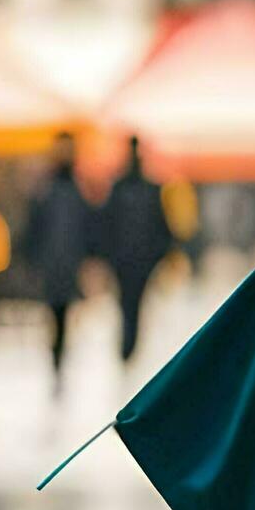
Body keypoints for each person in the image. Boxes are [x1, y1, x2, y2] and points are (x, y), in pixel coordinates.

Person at [22, 133, 94, 382]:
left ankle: (59, 353)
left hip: (68, 260)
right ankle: (56, 353)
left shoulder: (77, 187)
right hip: (52, 260)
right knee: (54, 309)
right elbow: (35, 225)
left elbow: (88, 226)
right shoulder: (48, 187)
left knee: (63, 310)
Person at [100, 136, 172, 362]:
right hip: (130, 259)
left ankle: (128, 347)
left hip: (135, 259)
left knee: (131, 304)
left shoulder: (134, 189)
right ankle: (128, 347)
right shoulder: (136, 189)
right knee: (130, 304)